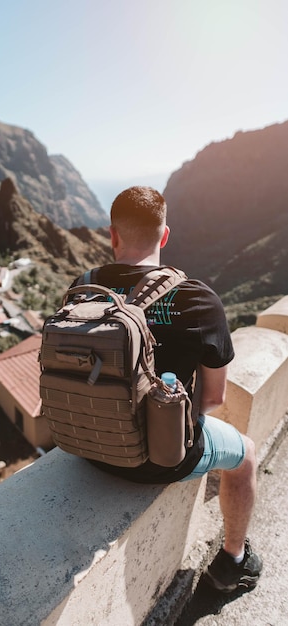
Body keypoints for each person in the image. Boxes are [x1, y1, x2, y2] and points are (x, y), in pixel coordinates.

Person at [70, 186, 262, 593]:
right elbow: (211, 399)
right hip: (161, 461)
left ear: (112, 235)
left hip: (86, 448)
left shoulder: (82, 289)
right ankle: (233, 561)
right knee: (246, 455)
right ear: (165, 235)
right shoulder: (197, 299)